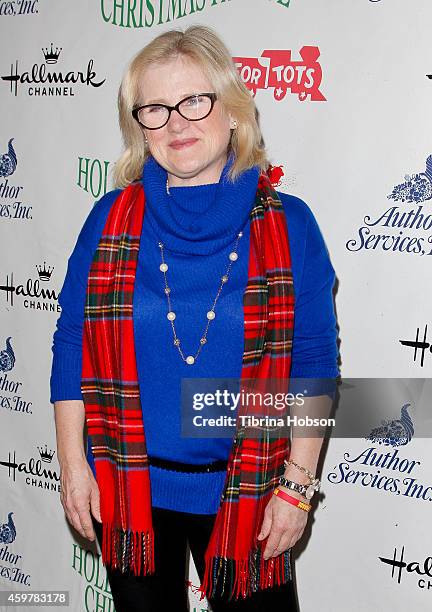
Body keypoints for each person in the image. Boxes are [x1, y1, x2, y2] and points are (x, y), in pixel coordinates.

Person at [50, 24, 340, 612]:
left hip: (250, 492)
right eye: (154, 108)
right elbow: (72, 342)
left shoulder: (290, 225)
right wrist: (73, 463)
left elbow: (313, 364)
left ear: (233, 111)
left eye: (194, 101)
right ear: (139, 126)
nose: (176, 122)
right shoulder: (108, 219)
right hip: (127, 491)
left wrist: (297, 485)